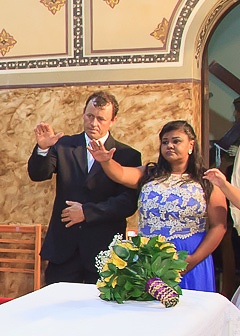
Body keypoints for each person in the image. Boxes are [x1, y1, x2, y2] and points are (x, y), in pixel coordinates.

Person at [89, 121, 225, 291]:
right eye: (165, 142)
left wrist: (194, 259)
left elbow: (219, 226)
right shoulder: (149, 174)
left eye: (176, 141)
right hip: (149, 257)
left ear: (191, 145)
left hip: (190, 257)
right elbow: (121, 174)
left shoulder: (207, 181)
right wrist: (106, 162)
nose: (170, 146)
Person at [28, 92, 142, 284]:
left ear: (113, 121)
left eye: (101, 119)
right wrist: (43, 149)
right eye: (90, 116)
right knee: (58, 301)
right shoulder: (64, 145)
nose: (93, 123)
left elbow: (127, 204)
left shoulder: (127, 155)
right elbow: (38, 174)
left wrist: (87, 212)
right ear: (83, 113)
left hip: (103, 250)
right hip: (64, 249)